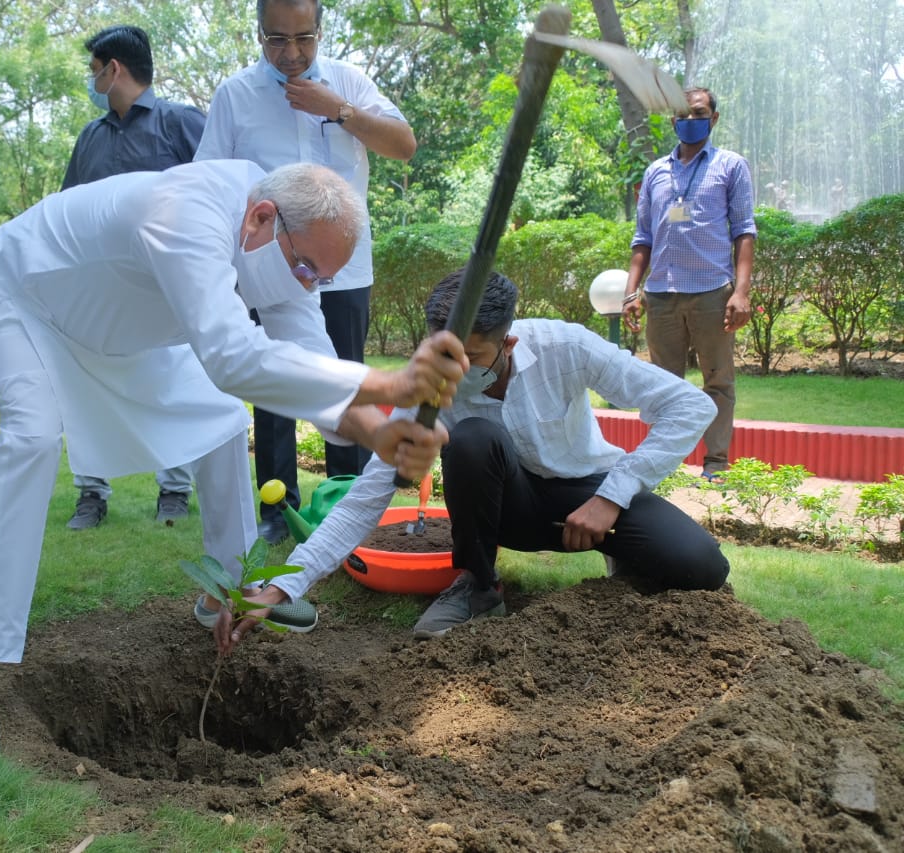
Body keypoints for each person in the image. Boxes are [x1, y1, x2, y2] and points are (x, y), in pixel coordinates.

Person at [0, 160, 464, 752]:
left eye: (320, 279)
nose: (308, 285)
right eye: (306, 268)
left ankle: (227, 591)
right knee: (31, 437)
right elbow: (233, 358)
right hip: (25, 297)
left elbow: (313, 364)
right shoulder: (185, 212)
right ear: (261, 219)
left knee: (222, 416)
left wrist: (378, 436)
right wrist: (392, 384)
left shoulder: (286, 255)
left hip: (121, 329)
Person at [220, 270, 731, 652]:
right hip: (510, 507)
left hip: (588, 495)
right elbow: (365, 498)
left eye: (474, 356)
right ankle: (479, 586)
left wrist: (611, 498)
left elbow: (692, 405)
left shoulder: (565, 346)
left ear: (508, 341)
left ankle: (625, 555)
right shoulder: (430, 387)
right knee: (469, 438)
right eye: (447, 355)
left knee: (702, 567)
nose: (458, 371)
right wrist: (284, 586)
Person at [195, 0, 416, 545]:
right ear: (259, 34)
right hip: (270, 270)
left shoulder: (349, 82)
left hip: (343, 272)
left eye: (303, 39)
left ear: (321, 30)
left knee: (343, 378)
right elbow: (206, 179)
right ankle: (277, 511)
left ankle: (355, 506)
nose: (291, 54)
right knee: (275, 388)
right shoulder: (235, 95)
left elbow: (404, 145)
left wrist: (340, 110)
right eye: (276, 40)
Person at [60, 24, 207, 530]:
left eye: (93, 69)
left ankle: (174, 490)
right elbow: (66, 209)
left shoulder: (180, 124)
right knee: (91, 388)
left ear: (112, 69)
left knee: (174, 384)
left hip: (167, 287)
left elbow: (217, 193)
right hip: (100, 291)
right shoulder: (91, 138)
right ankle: (91, 494)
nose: (91, 78)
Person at [624, 87, 756, 484]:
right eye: (683, 113)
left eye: (698, 113)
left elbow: (744, 231)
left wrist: (741, 291)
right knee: (664, 385)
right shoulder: (655, 172)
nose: (689, 119)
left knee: (717, 380)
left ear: (713, 118)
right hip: (662, 294)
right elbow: (642, 237)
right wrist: (633, 291)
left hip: (712, 291)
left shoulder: (730, 166)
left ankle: (715, 462)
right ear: (672, 120)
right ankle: (665, 464)